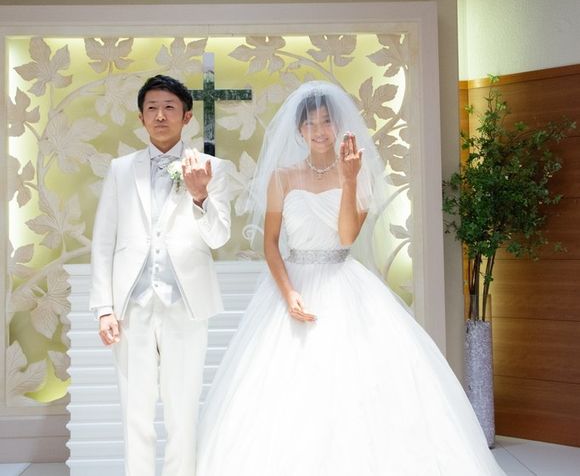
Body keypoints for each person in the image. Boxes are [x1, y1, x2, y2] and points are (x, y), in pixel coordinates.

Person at [196, 81, 505, 476]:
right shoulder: (282, 177)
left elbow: (346, 237)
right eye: (311, 123)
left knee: (357, 384)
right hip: (295, 284)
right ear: (299, 130)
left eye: (327, 121)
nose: (319, 130)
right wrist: (288, 293)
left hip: (343, 281)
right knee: (287, 389)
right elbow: (270, 245)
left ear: (339, 125)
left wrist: (349, 179)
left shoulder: (358, 173)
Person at [89, 74, 231, 476]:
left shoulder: (213, 168)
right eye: (151, 108)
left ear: (187, 116)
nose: (160, 115)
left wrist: (200, 195)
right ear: (140, 117)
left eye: (169, 107)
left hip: (186, 304)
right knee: (134, 414)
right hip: (130, 307)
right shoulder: (120, 170)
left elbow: (219, 237)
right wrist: (104, 308)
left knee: (182, 412)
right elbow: (103, 241)